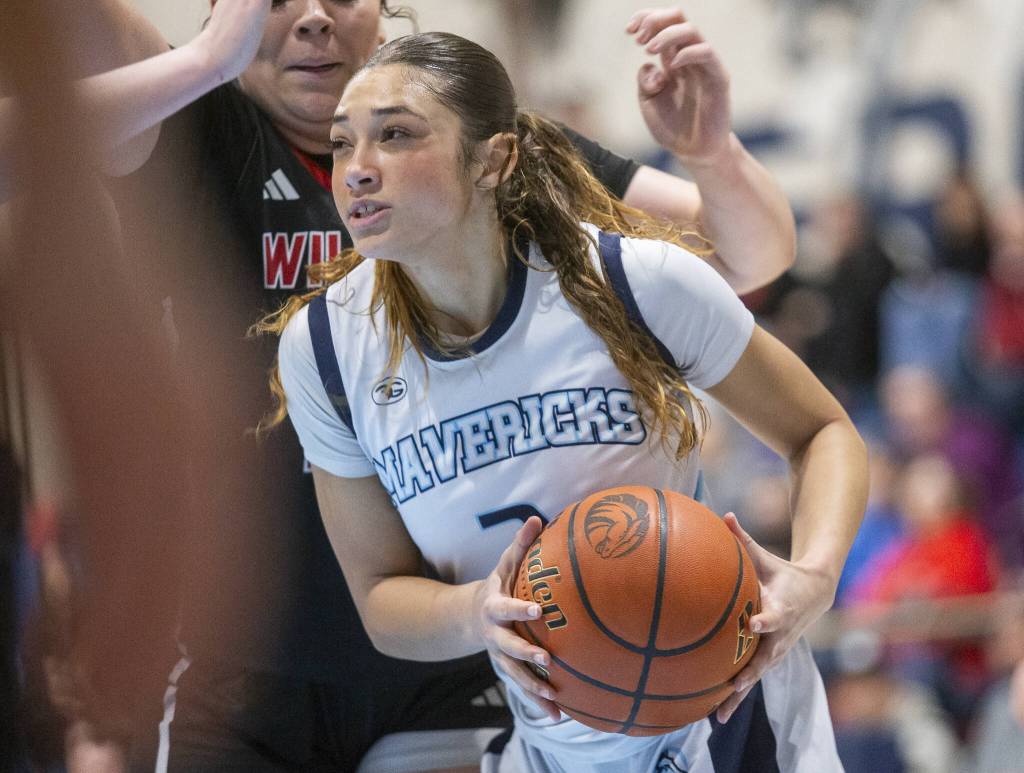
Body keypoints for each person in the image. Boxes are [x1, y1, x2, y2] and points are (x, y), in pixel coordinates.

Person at [12, 2, 800, 770]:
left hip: (447, 654)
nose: (313, 16)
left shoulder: (480, 150)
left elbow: (745, 259)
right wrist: (204, 60)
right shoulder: (194, 123)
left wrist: (714, 153)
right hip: (243, 657)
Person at [269, 31, 868, 772]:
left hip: (728, 716)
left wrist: (816, 572)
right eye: (342, 143)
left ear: (494, 158)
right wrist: (479, 610)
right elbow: (381, 597)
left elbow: (821, 429)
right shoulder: (325, 345)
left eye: (395, 135)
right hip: (551, 744)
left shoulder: (630, 279)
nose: (356, 170)